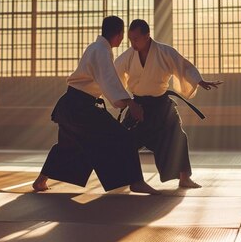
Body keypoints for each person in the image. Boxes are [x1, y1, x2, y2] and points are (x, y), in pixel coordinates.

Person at [32, 16, 159, 195]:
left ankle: (40, 180)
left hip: (71, 105)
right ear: (118, 34)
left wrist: (124, 99)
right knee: (123, 137)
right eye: (123, 35)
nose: (124, 39)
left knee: (70, 145)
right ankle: (136, 181)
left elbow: (107, 80)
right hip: (80, 107)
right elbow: (109, 81)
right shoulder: (101, 50)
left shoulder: (97, 48)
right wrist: (130, 102)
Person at [114, 19, 223, 188]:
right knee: (125, 139)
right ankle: (126, 178)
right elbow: (112, 75)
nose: (132, 43)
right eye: (130, 39)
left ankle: (184, 178)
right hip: (139, 106)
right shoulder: (128, 56)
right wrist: (123, 99)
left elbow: (185, 67)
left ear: (147, 36)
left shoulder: (165, 52)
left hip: (161, 106)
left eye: (136, 39)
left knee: (179, 137)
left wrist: (198, 80)